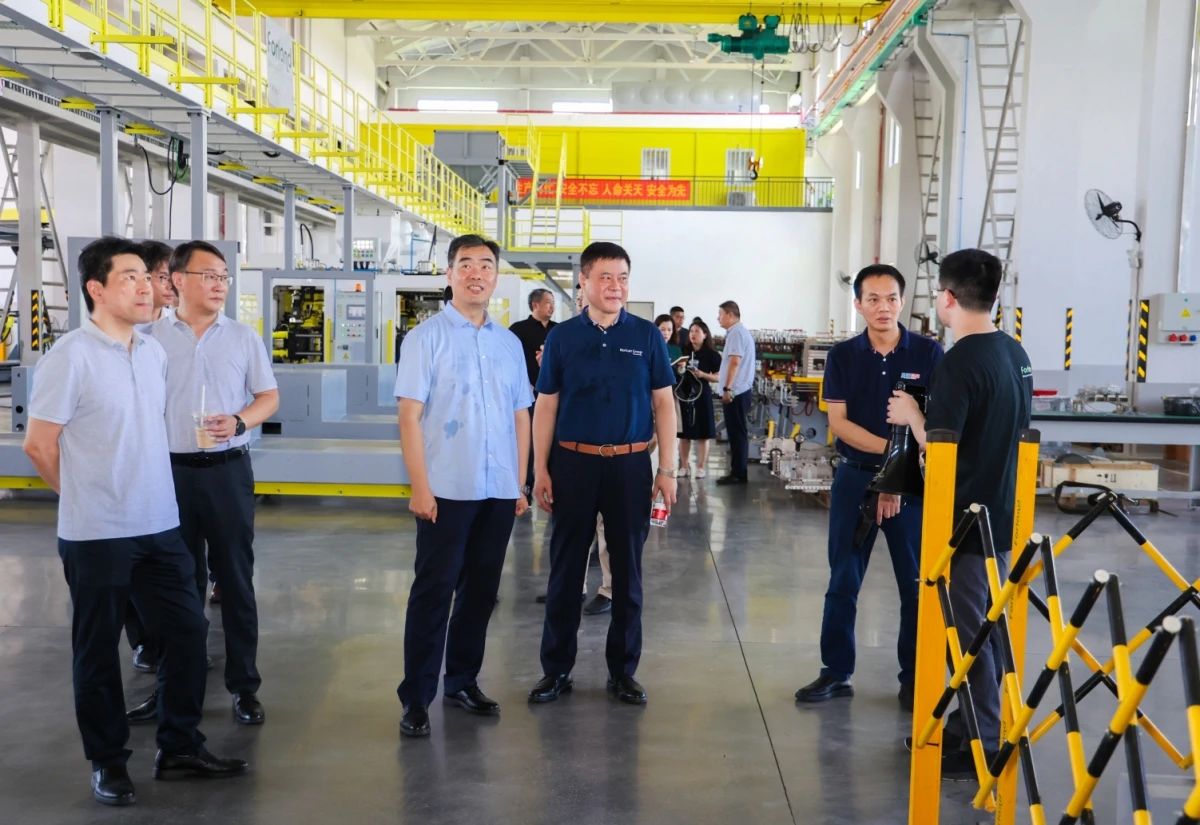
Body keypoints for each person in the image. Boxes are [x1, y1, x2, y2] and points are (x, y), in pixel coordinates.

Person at [22, 237, 246, 807]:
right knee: (97, 650)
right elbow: (39, 445)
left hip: (160, 524)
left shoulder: (151, 353)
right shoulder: (69, 357)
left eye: (148, 278)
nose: (147, 287)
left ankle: (179, 745)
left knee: (188, 633)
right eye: (131, 278)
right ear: (96, 289)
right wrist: (86, 497)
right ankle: (108, 762)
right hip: (97, 534)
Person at [885, 248, 1032, 778]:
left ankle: (983, 743)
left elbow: (940, 448)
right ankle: (966, 724)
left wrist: (912, 414)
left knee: (969, 637)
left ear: (946, 297)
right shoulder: (1014, 353)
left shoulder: (959, 362)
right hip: (1004, 513)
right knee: (986, 628)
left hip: (963, 523)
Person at [127, 241, 279, 729]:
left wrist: (239, 421)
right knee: (176, 585)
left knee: (235, 579)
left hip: (227, 472)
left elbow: (268, 396)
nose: (219, 285)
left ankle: (244, 687)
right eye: (208, 275)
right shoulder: (148, 339)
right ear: (177, 280)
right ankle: (172, 692)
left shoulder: (242, 337)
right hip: (167, 474)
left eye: (223, 277)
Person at [528, 241, 677, 707]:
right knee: (566, 569)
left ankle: (623, 671)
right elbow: (546, 406)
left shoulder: (647, 336)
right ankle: (556, 670)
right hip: (573, 464)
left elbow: (664, 404)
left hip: (630, 466)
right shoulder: (563, 337)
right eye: (606, 277)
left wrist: (667, 469)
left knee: (627, 572)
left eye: (623, 278)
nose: (616, 286)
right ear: (585, 282)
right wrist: (540, 468)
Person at [395, 234, 532, 738]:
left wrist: (519, 483)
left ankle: (462, 681)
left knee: (481, 593)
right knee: (434, 593)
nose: (477, 273)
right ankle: (417, 697)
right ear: (449, 273)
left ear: (496, 276)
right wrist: (420, 487)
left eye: (486, 265)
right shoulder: (425, 339)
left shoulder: (508, 343)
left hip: (497, 489)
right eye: (467, 264)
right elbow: (409, 416)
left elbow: (521, 415)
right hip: (447, 489)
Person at [793, 265, 943, 710]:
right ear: (858, 304)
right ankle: (835, 672)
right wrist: (890, 458)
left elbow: (934, 420)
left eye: (891, 298)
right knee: (843, 578)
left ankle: (914, 679)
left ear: (902, 301)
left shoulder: (929, 354)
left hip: (913, 484)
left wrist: (899, 472)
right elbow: (839, 424)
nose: (883, 307)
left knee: (916, 584)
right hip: (855, 478)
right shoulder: (843, 356)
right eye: (873, 299)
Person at [125, 239, 178, 676]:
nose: (166, 285)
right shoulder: (127, 337)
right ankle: (144, 641)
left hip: (172, 464)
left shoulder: (168, 337)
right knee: (131, 569)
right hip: (130, 472)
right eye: (159, 276)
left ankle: (177, 644)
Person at [510, 288, 557, 503]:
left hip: (554, 396)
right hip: (526, 396)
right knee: (527, 443)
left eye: (553, 303)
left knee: (554, 442)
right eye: (548, 302)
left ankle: (554, 491)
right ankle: (524, 491)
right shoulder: (518, 330)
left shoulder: (559, 331)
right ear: (535, 305)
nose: (552, 307)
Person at [715, 301, 756, 485]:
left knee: (737, 433)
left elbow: (735, 362)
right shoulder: (738, 332)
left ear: (730, 315)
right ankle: (738, 471)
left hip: (736, 392)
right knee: (736, 432)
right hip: (739, 391)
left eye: (720, 314)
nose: (718, 318)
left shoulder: (736, 333)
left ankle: (738, 473)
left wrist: (727, 388)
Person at [677, 318, 722, 479]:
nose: (693, 334)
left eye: (697, 331)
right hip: (684, 395)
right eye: (691, 331)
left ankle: (701, 467)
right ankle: (684, 466)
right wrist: (680, 369)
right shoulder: (683, 351)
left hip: (702, 395)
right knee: (684, 434)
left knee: (703, 434)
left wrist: (703, 374)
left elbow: (718, 377)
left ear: (705, 334)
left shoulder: (712, 355)